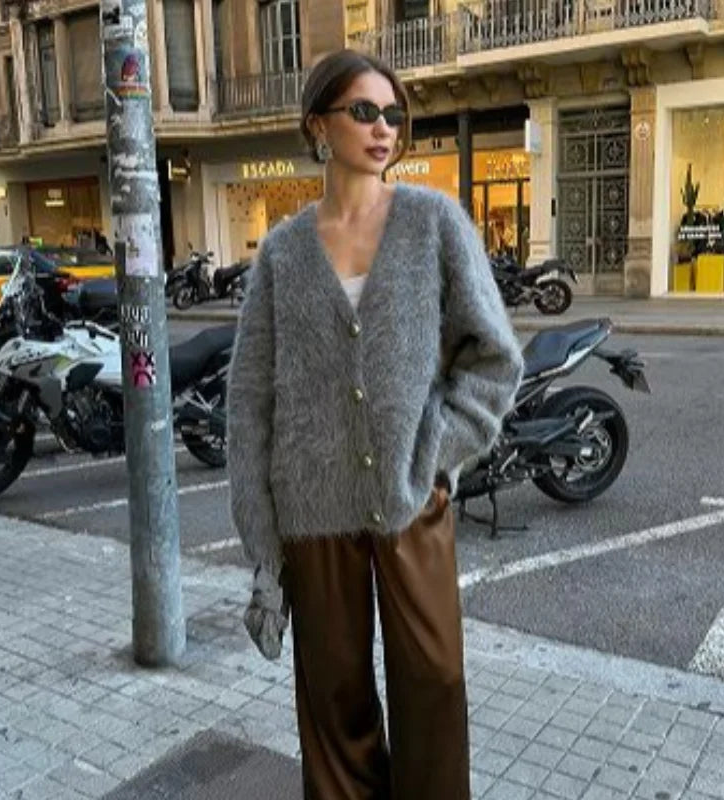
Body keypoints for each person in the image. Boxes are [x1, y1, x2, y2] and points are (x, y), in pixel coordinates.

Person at [227, 48, 524, 800]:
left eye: (394, 113)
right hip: (312, 515)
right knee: (335, 703)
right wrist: (265, 553)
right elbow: (250, 401)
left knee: (435, 683)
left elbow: (493, 360)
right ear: (318, 125)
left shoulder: (433, 222)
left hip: (410, 503)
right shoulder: (283, 255)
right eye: (364, 111)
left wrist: (431, 453)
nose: (384, 127)